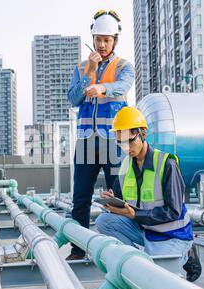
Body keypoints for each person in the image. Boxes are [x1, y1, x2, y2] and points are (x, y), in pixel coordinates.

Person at [95, 106, 201, 280]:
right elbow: (121, 200)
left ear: (143, 134)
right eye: (121, 143)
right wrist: (112, 201)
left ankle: (187, 252)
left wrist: (135, 213)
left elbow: (173, 212)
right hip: (143, 227)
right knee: (105, 221)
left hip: (171, 233)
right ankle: (136, 261)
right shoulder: (125, 165)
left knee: (156, 280)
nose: (126, 148)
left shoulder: (166, 164)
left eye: (130, 141)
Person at [66, 10, 135, 260]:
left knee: (116, 196)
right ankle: (78, 248)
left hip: (113, 142)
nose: (102, 45)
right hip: (86, 141)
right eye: (98, 39)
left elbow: (122, 87)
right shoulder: (82, 67)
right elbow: (73, 98)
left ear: (115, 40)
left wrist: (102, 87)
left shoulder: (124, 67)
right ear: (92, 39)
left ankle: (118, 249)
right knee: (80, 198)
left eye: (107, 40)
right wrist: (88, 75)